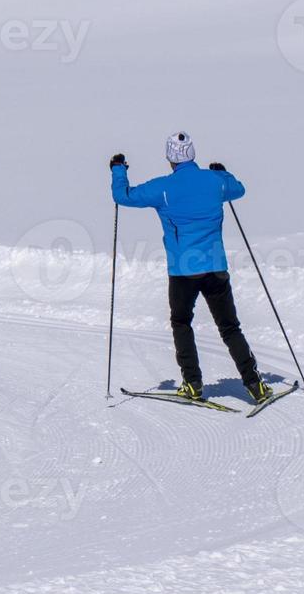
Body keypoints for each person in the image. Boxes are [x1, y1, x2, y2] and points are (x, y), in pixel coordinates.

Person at [110, 132, 273, 404]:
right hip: (216, 269)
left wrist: (118, 169)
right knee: (230, 327)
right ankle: (255, 385)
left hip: (183, 272)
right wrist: (223, 173)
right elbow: (238, 188)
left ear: (170, 157)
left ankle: (193, 384)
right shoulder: (215, 182)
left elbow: (123, 196)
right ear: (192, 154)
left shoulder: (163, 188)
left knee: (182, 323)